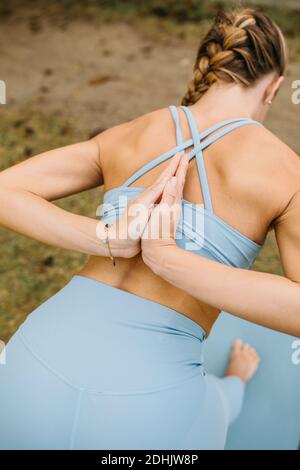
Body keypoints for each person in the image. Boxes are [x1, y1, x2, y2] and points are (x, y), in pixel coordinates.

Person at [0, 8, 299, 449]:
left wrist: (106, 238)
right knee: (218, 403)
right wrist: (170, 261)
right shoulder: (285, 171)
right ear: (272, 88)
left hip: (32, 367)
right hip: (151, 409)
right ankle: (235, 381)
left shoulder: (131, 133)